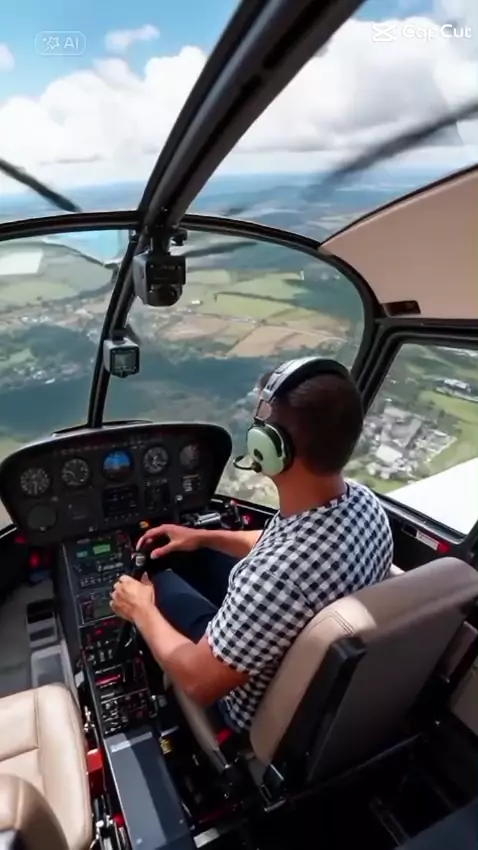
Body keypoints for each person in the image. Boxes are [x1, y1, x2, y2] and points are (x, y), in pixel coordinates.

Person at [111, 358, 394, 733]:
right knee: (189, 554)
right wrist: (204, 537)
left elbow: (198, 682)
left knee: (156, 578)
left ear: (273, 448)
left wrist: (141, 609)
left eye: (259, 425)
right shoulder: (363, 503)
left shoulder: (276, 578)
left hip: (241, 708)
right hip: (306, 665)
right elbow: (278, 542)